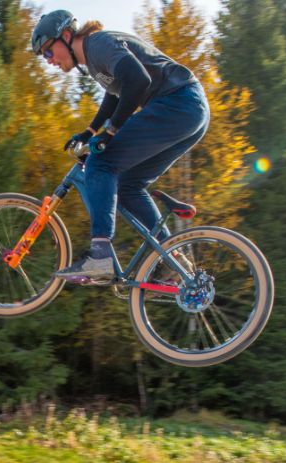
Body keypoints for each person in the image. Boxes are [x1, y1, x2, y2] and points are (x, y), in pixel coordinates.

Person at [30, 10, 210, 282]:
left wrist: (111, 131)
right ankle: (173, 260)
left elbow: (138, 81)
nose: (49, 61)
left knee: (100, 162)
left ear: (66, 36)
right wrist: (91, 130)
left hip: (177, 103)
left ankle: (100, 257)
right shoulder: (94, 56)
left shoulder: (98, 44)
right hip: (189, 111)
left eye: (48, 52)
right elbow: (117, 93)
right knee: (127, 185)